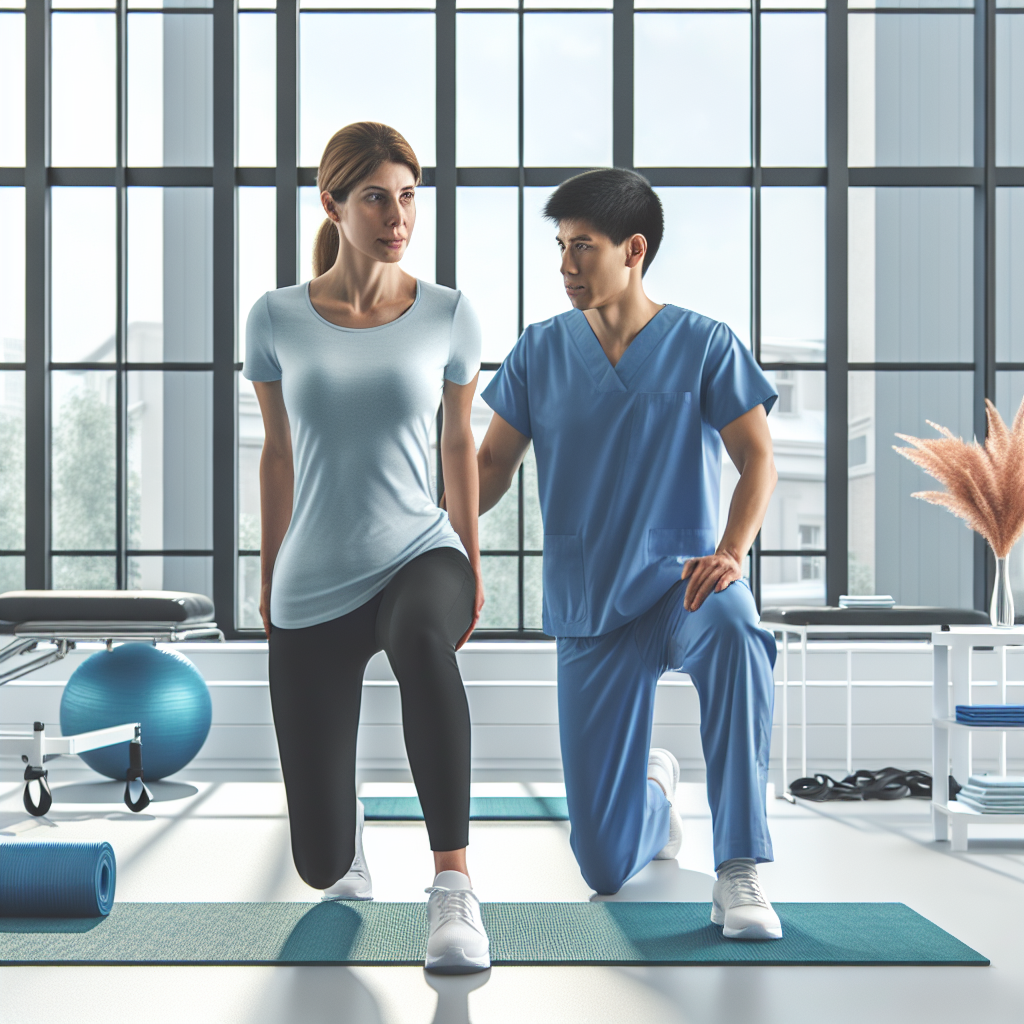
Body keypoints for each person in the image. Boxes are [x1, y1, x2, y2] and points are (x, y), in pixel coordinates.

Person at [476, 168, 783, 940]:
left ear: (633, 250)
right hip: (591, 603)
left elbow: (759, 459)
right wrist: (417, 510)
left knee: (740, 630)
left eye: (583, 247)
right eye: (560, 247)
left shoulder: (705, 344)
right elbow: (485, 472)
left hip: (686, 587)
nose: (566, 265)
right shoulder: (540, 351)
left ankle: (739, 870)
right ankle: (654, 803)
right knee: (605, 866)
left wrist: (731, 551)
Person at [244, 122, 490, 973]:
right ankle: (344, 843)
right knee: (320, 866)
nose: (399, 215)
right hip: (314, 575)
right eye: (379, 196)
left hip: (419, 553)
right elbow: (278, 455)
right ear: (334, 204)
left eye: (410, 196)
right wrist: (270, 573)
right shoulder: (275, 318)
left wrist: (471, 556)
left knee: (423, 642)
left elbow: (458, 443)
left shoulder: (448, 313)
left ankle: (453, 890)